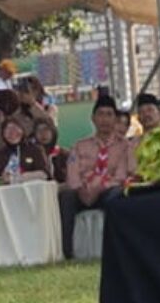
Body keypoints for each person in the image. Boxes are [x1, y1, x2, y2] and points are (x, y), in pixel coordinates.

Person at [59, 92, 135, 260]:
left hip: (107, 190)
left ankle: (115, 250)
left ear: (115, 120)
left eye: (109, 115)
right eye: (100, 114)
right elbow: (72, 173)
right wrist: (81, 188)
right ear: (93, 118)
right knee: (66, 196)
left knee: (117, 194)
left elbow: (122, 175)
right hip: (82, 191)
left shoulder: (125, 146)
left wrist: (99, 186)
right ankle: (67, 252)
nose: (105, 119)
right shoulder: (80, 145)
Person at [34, 118, 69, 183]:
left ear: (53, 131)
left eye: (46, 129)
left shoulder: (65, 155)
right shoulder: (31, 155)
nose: (43, 134)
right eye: (39, 130)